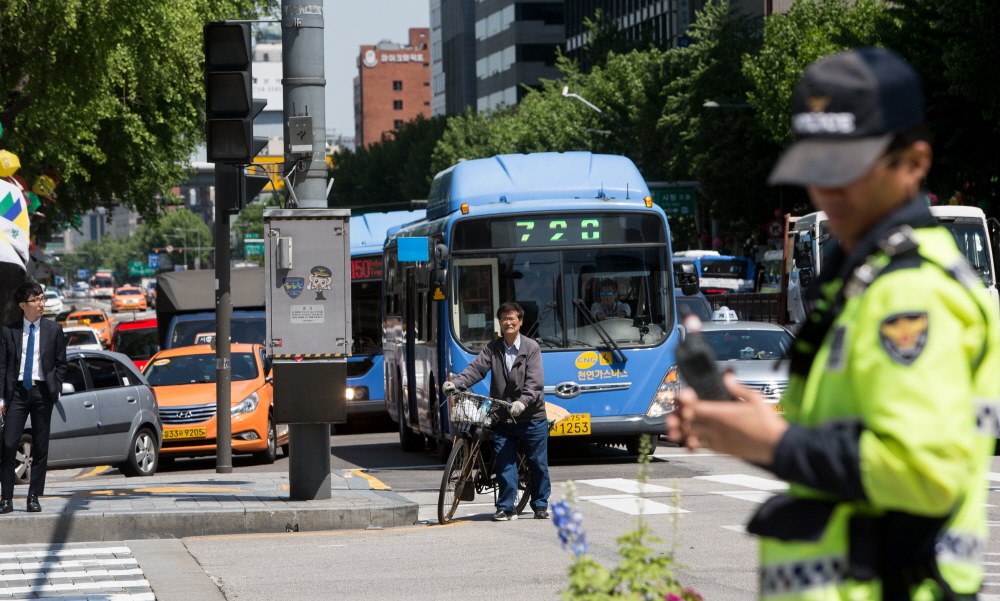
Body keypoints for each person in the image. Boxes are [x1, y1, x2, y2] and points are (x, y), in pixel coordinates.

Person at [668, 48, 998, 600]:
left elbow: (923, 468)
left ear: (915, 163)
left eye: (848, 169)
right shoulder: (870, 276)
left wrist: (775, 443)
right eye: (815, 171)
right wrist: (753, 427)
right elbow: (849, 449)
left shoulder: (910, 289)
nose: (827, 190)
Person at [442, 302, 550, 521]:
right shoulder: (493, 348)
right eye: (504, 319)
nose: (508, 323)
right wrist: (457, 383)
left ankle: (539, 503)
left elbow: (535, 382)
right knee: (504, 463)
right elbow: (475, 369)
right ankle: (505, 507)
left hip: (531, 417)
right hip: (504, 416)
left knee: (537, 463)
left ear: (520, 321)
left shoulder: (531, 348)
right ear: (500, 323)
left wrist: (523, 401)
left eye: (512, 319)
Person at [0, 282, 68, 513]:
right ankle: (6, 498)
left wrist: (55, 387)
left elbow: (61, 364)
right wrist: (1, 399)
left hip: (42, 393)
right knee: (9, 444)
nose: (41, 303)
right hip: (16, 393)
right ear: (22, 305)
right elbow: (2, 367)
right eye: (36, 300)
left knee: (40, 447)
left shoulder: (54, 330)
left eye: (42, 298)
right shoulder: (9, 331)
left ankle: (33, 497)